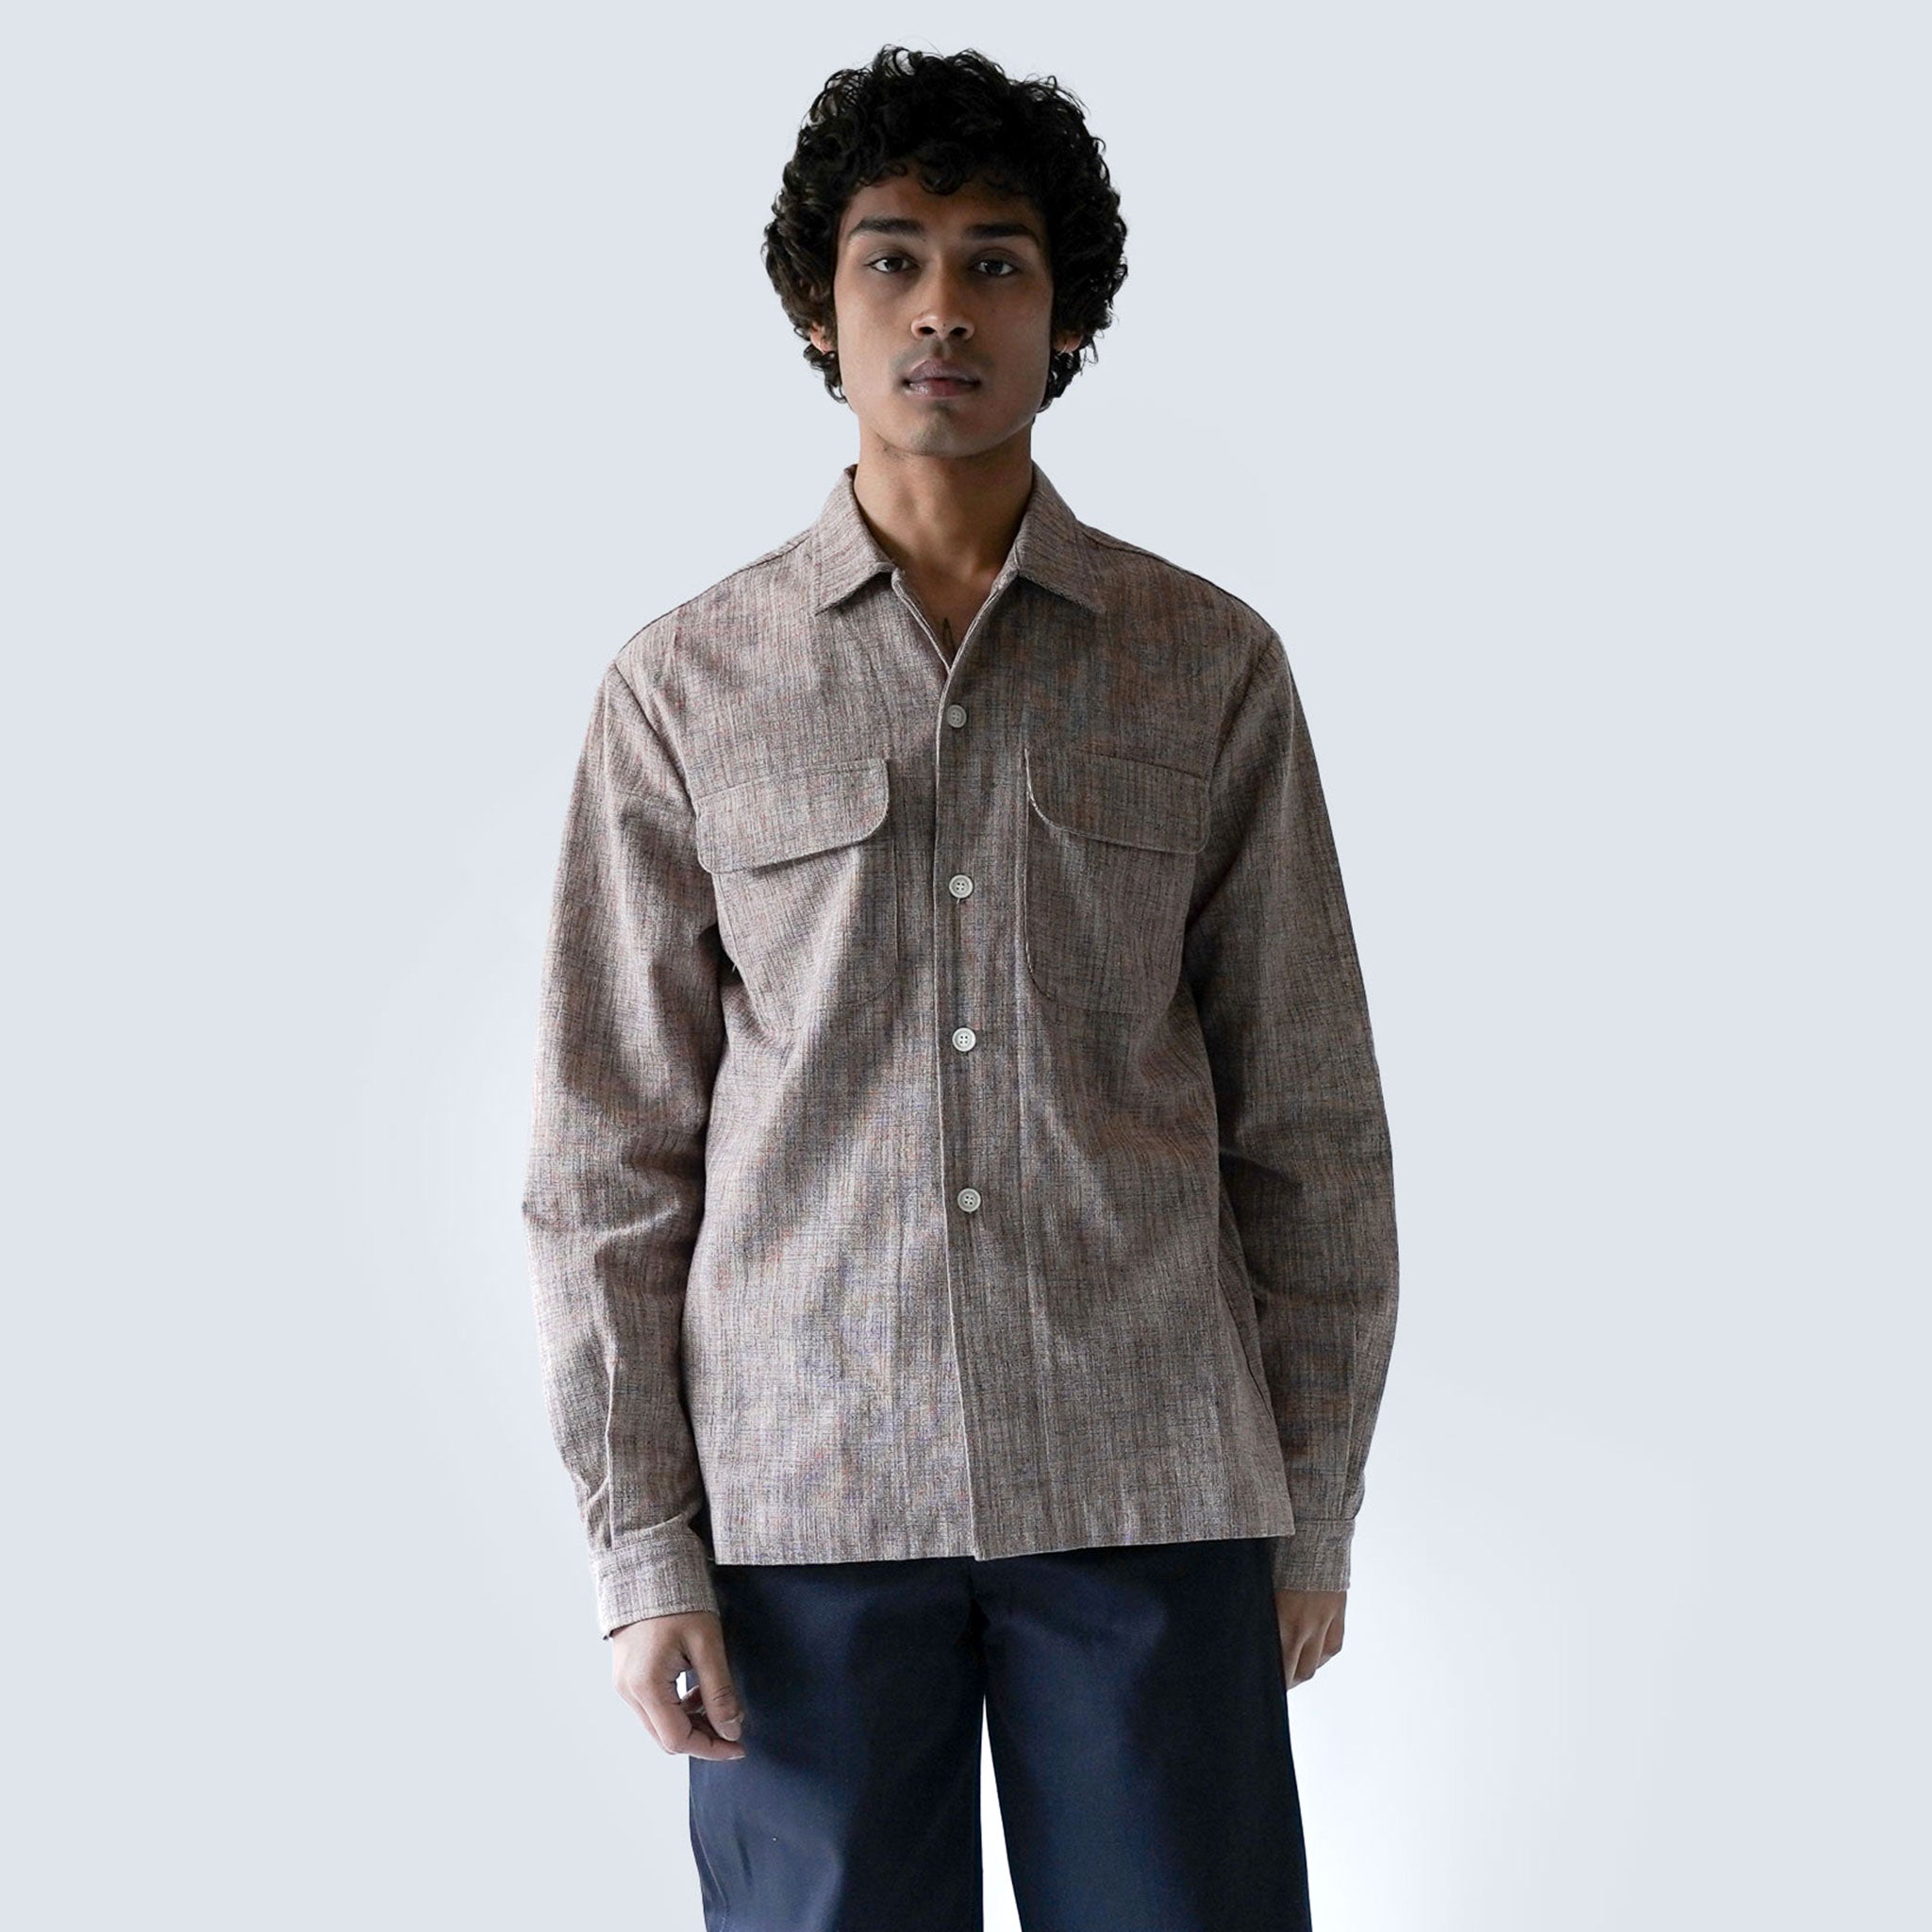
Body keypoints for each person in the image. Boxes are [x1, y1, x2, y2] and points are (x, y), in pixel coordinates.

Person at [522, 43, 1399, 1932]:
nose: (942, 308)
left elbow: (1312, 1117)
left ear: (1063, 317)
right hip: (801, 1506)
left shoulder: (1205, 665)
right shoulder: (685, 688)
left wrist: (1312, 1500)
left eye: (996, 262)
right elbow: (607, 1158)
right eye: (892, 258)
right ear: (816, 308)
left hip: (1150, 1487)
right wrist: (642, 1544)